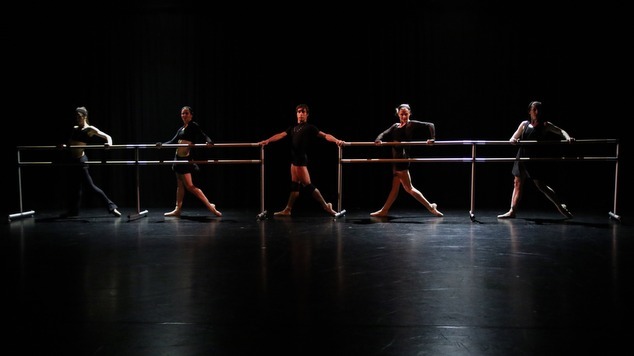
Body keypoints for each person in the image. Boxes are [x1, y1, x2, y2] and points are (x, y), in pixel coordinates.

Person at [258, 103, 345, 217]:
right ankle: (288, 209)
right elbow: (281, 135)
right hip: (294, 161)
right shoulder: (293, 128)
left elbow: (325, 135)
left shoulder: (310, 128)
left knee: (308, 185)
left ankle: (326, 206)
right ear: (296, 114)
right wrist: (268, 140)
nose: (301, 114)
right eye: (299, 112)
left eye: (303, 112)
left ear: (307, 114)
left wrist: (337, 140)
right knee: (295, 186)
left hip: (300, 160)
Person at [498, 100, 575, 219]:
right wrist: (514, 140)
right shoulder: (524, 124)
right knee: (517, 183)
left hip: (533, 159)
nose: (537, 111)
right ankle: (512, 211)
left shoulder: (545, 125)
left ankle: (560, 207)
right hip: (521, 157)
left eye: (538, 109)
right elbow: (512, 138)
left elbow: (560, 131)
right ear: (529, 111)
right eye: (534, 109)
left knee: (541, 186)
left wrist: (568, 137)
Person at [370, 103, 443, 217]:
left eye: (406, 114)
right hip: (395, 160)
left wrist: (432, 139)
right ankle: (384, 210)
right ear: (398, 114)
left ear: (409, 114)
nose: (404, 117)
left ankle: (431, 207)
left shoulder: (410, 125)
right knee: (395, 188)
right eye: (401, 114)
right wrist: (378, 140)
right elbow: (383, 133)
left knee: (409, 188)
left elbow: (430, 125)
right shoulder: (395, 126)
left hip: (402, 159)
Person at [59, 106, 121, 218]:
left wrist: (109, 145)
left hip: (81, 160)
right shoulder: (75, 128)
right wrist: (64, 146)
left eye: (79, 116)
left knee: (91, 186)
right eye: (76, 116)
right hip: (72, 160)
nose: (77, 118)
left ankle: (112, 206)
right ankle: (73, 211)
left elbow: (107, 136)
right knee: (74, 187)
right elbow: (70, 144)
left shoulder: (89, 129)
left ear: (84, 117)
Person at [161, 106, 222, 217]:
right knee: (180, 185)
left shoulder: (193, 126)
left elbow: (203, 135)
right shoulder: (181, 129)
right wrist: (161, 145)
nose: (184, 115)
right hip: (177, 159)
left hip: (185, 159)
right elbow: (173, 141)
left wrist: (209, 142)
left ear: (191, 115)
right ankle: (177, 209)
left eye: (186, 113)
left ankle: (210, 207)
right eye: (182, 113)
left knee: (190, 186)